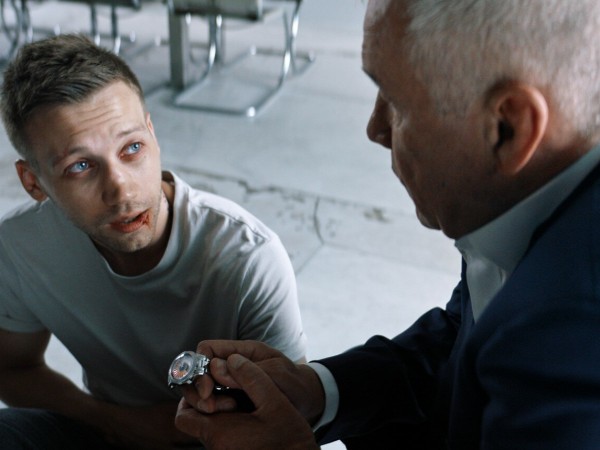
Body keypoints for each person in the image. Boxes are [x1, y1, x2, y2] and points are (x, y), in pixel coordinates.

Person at [173, 0, 600, 448]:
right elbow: (463, 344)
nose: (375, 129)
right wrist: (319, 391)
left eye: (396, 103)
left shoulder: (571, 343)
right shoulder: (521, 203)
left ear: (508, 127)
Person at [0, 34, 307, 449]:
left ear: (152, 134)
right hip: (104, 430)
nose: (121, 190)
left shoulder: (248, 257)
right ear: (33, 182)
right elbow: (12, 369)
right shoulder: (20, 246)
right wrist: (117, 422)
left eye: (132, 148)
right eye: (81, 166)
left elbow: (289, 419)